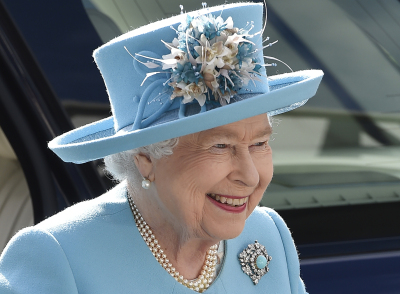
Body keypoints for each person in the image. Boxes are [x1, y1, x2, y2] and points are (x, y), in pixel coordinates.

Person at [0, 2, 323, 293]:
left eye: (259, 143)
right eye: (221, 146)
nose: (250, 176)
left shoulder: (268, 233)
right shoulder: (57, 257)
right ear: (145, 157)